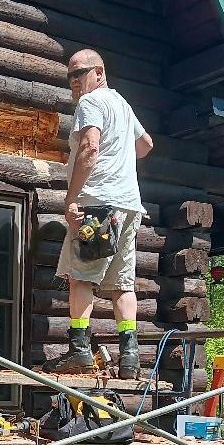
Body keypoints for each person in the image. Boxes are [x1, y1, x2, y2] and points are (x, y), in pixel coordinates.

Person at [43, 49, 153, 379]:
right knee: (122, 285)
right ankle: (130, 358)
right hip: (129, 205)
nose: (74, 82)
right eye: (70, 77)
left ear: (99, 72)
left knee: (81, 276)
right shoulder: (122, 104)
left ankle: (79, 350)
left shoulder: (91, 103)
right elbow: (145, 144)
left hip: (98, 205)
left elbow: (90, 147)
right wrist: (120, 155)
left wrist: (72, 199)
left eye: (80, 73)